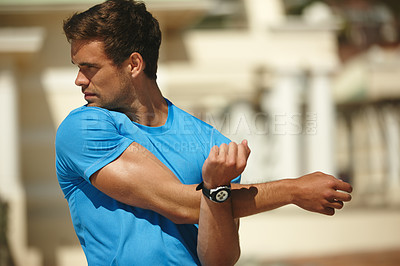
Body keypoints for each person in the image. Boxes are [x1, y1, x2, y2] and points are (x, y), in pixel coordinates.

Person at [55, 0, 353, 265]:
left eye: (89, 67)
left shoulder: (212, 144)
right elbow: (178, 202)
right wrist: (292, 190)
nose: (79, 80)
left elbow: (219, 259)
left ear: (134, 64)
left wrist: (217, 188)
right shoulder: (83, 128)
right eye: (78, 67)